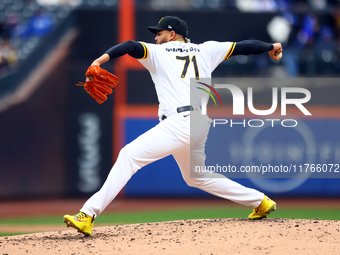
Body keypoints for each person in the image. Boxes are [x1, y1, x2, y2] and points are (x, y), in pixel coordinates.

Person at [63, 16, 283, 236]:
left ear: (172, 34)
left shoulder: (158, 52)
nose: (156, 38)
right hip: (199, 122)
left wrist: (99, 60)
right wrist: (271, 47)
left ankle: (87, 214)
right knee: (197, 177)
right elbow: (244, 47)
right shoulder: (207, 50)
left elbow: (130, 46)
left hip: (180, 123)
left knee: (128, 155)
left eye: (159, 33)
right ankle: (260, 201)